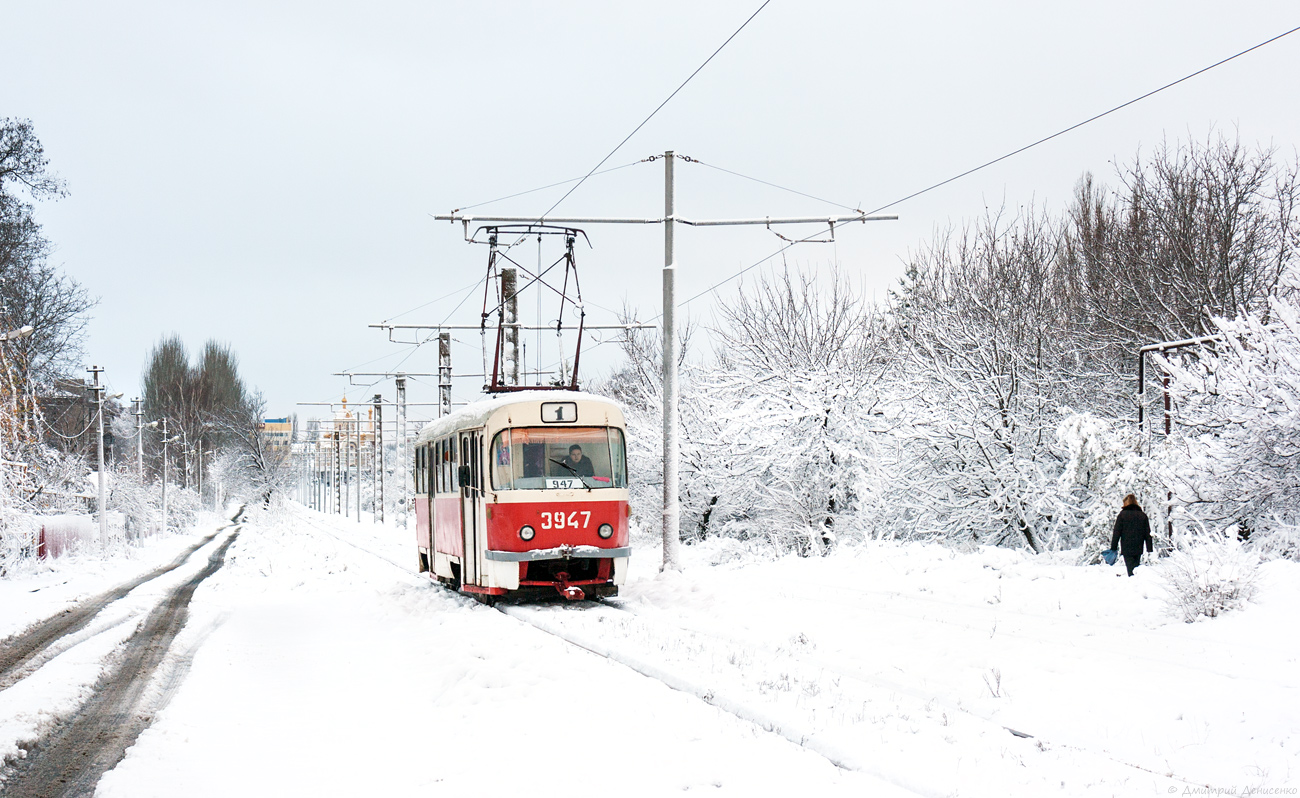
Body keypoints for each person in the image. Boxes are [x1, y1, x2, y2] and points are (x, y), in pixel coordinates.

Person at [1110, 493, 1153, 577]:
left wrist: (1113, 547)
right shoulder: (1142, 515)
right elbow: (1147, 533)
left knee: (1130, 568)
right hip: (1139, 546)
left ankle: (1133, 583)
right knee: (1136, 567)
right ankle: (1136, 582)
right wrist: (1149, 548)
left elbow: (1117, 532)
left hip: (1126, 546)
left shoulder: (1122, 515)